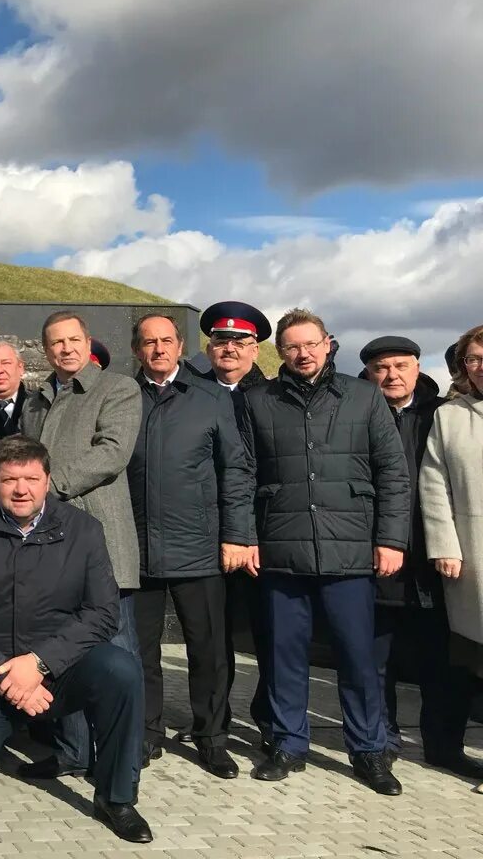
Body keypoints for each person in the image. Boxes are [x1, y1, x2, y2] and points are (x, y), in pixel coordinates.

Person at [0, 436, 151, 844]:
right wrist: (5, 677)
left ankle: (116, 797)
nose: (21, 489)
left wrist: (38, 663)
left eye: (31, 478)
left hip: (61, 669)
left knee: (122, 670)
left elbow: (103, 613)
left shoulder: (84, 530)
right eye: (10, 479)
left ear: (47, 480)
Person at [244, 308, 409, 795]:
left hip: (351, 550)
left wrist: (391, 539)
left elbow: (392, 474)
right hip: (281, 549)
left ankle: (369, 751)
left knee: (358, 657)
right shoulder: (257, 402)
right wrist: (246, 536)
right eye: (292, 346)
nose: (302, 353)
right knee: (282, 655)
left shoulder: (363, 397)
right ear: (280, 351)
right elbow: (242, 475)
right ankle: (288, 743)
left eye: (310, 343)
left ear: (328, 343)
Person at [127, 314, 254, 777]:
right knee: (140, 651)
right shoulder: (123, 396)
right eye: (148, 342)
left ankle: (211, 736)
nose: (158, 349)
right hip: (136, 548)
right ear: (137, 350)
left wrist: (236, 535)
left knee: (209, 650)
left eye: (166, 341)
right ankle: (144, 733)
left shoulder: (212, 399)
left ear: (180, 346)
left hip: (199, 547)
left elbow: (236, 471)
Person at [19, 311, 141, 776]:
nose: (66, 349)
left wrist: (47, 488)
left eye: (74, 340)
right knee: (59, 649)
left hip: (102, 539)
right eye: (56, 343)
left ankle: (118, 762)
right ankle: (73, 753)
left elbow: (112, 453)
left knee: (117, 658)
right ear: (46, 350)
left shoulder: (117, 389)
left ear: (88, 343)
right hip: (49, 545)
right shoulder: (35, 402)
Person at [360, 335, 479, 778]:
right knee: (376, 660)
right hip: (375, 556)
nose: (392, 375)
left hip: (437, 558)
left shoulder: (442, 415)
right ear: (369, 373)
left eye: (401, 366)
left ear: (418, 367)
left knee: (444, 663)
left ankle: (443, 745)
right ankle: (381, 741)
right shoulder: (356, 413)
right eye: (381, 368)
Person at [192, 299, 273, 751]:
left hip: (263, 535)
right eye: (221, 341)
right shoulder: (191, 391)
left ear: (255, 349)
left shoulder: (273, 395)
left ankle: (269, 723)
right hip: (205, 535)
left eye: (240, 342)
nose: (230, 349)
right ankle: (212, 725)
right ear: (209, 347)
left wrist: (251, 535)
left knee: (270, 637)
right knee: (213, 638)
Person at [420, 324, 483, 792]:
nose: (479, 367)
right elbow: (434, 482)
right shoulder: (451, 416)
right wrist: (443, 544)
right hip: (474, 556)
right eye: (473, 359)